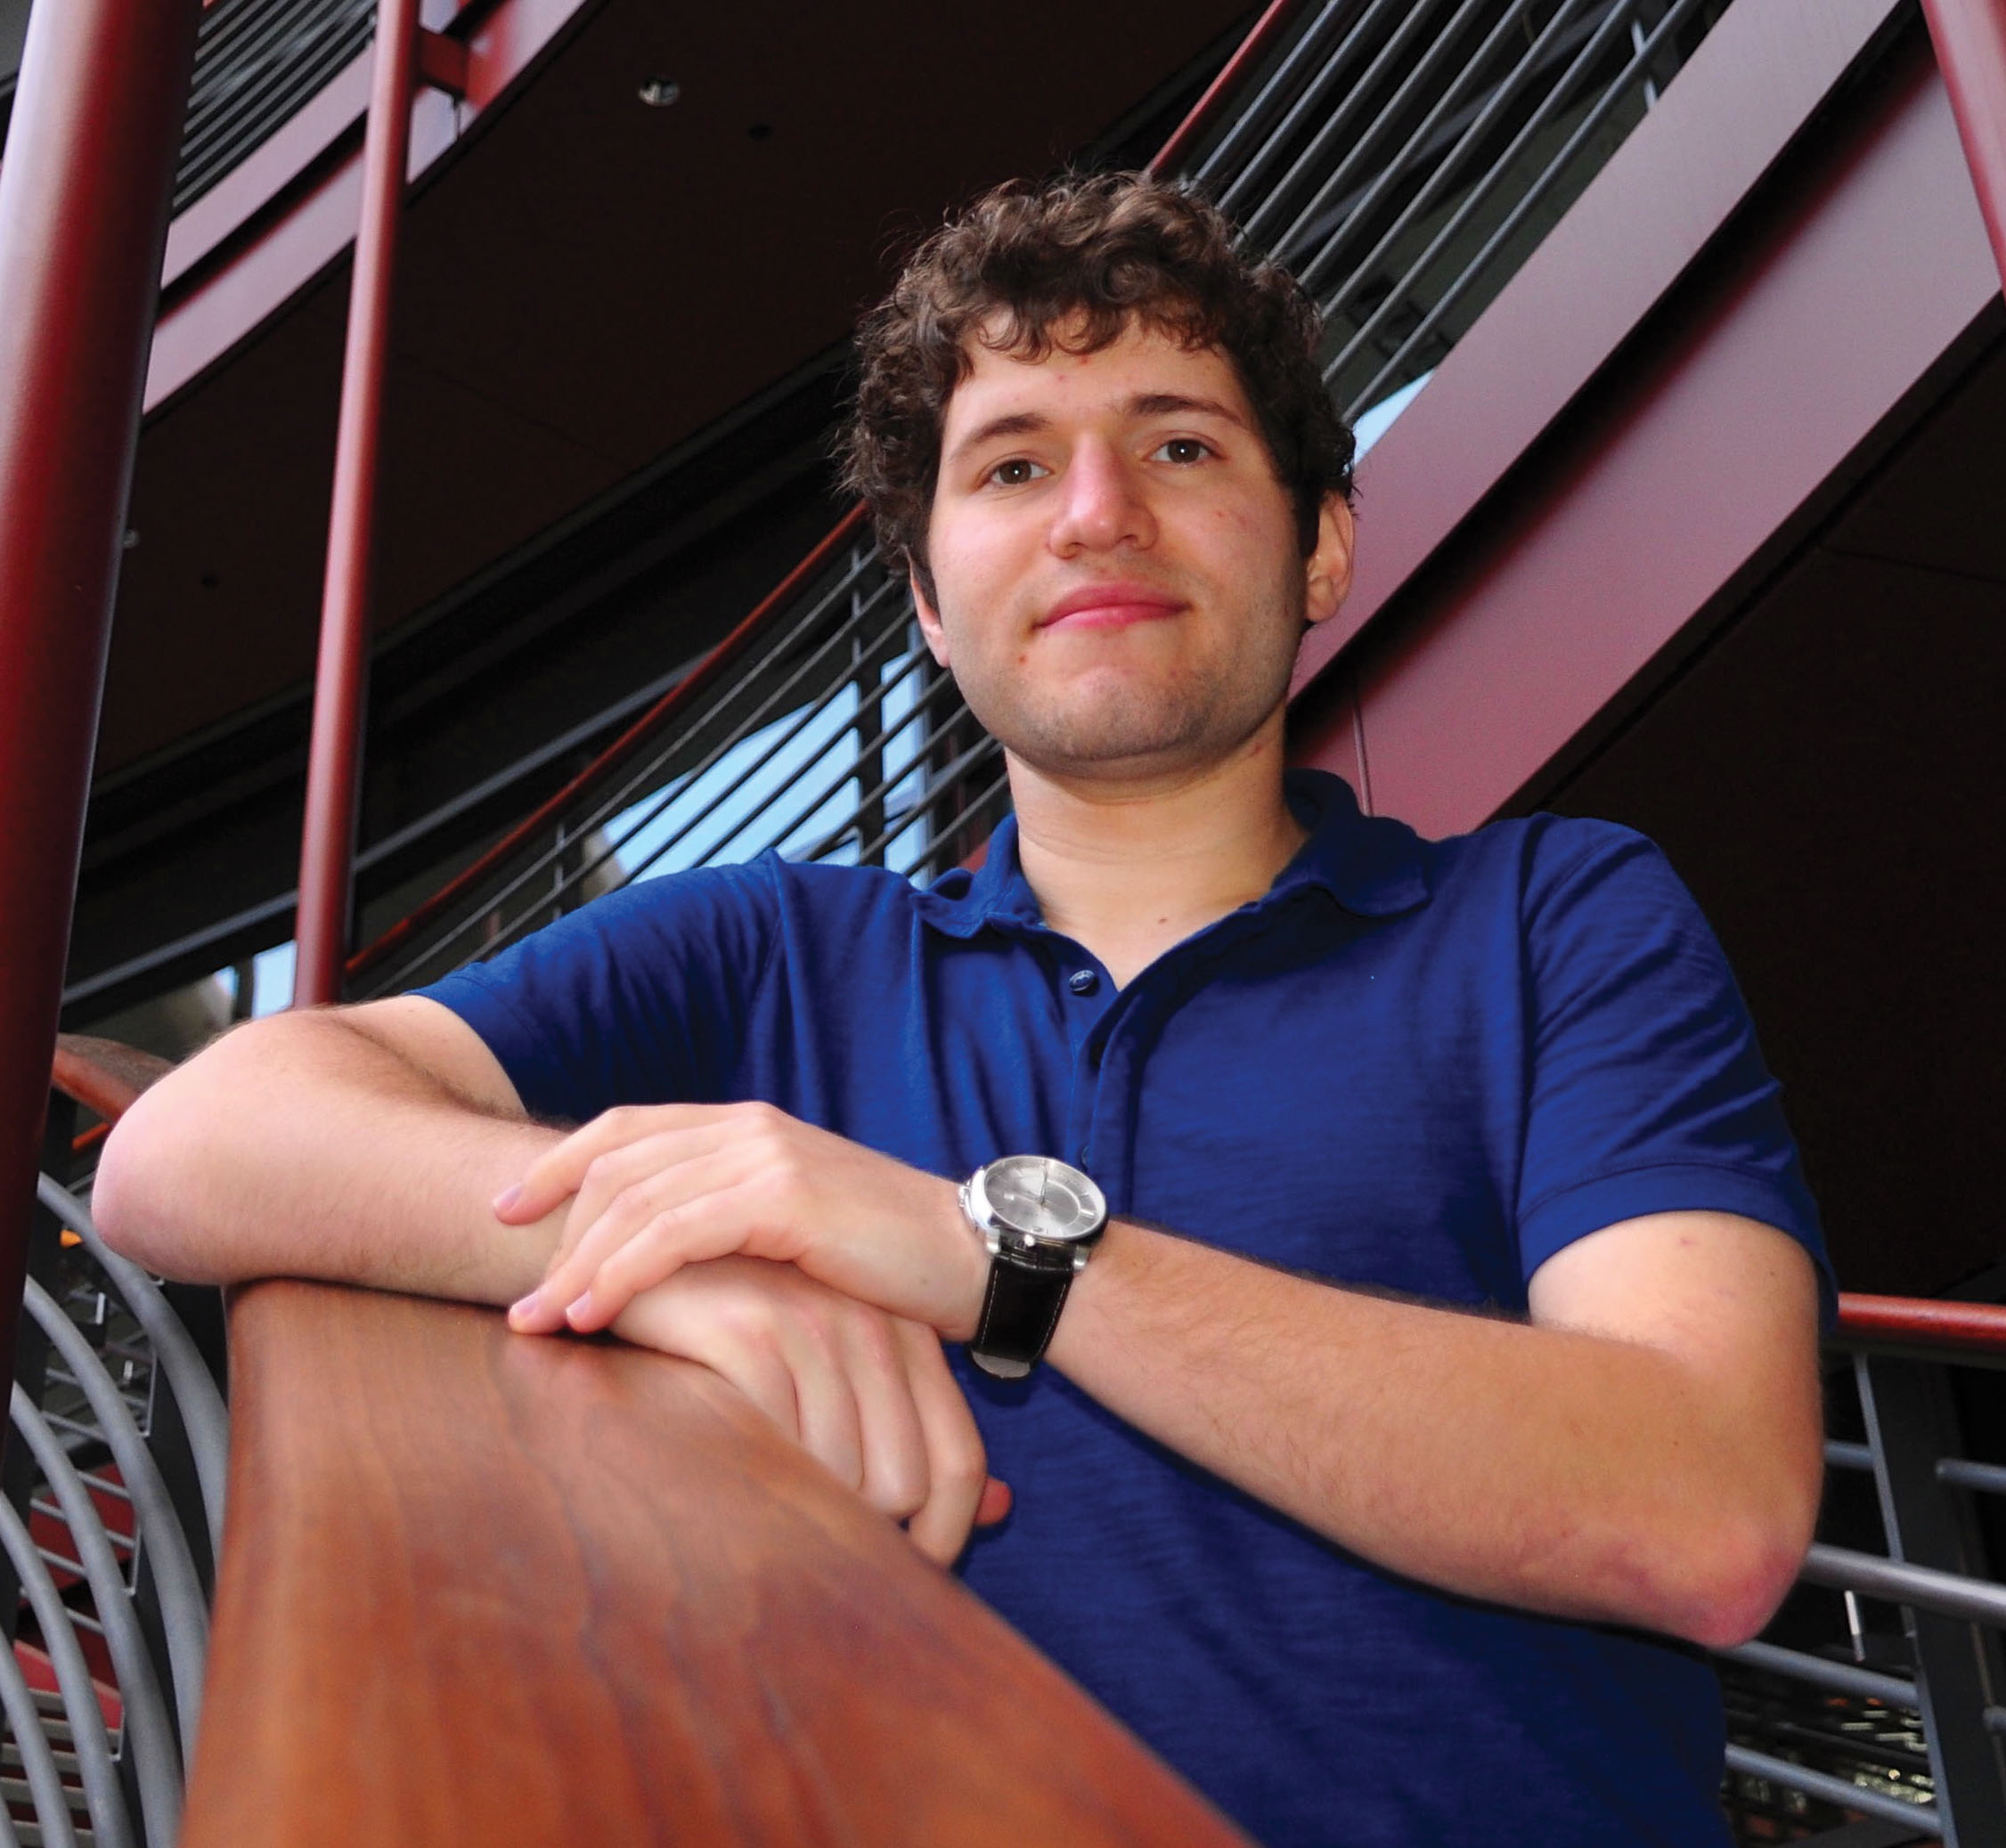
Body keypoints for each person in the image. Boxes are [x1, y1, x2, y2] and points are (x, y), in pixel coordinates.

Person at [94, 174, 1830, 1846]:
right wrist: (664, 1255)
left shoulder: (1552, 920)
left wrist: (976, 1253)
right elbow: (193, 1142)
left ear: (1320, 546)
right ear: (927, 602)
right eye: (1012, 465)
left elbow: (1703, 1511)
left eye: (1179, 445)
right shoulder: (771, 954)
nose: (1097, 513)